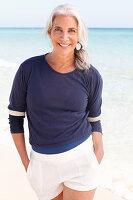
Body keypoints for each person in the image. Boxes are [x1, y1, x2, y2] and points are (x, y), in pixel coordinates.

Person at [8, 4, 104, 200]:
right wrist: (27, 164)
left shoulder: (90, 76)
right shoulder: (29, 69)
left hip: (80, 163)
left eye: (71, 31)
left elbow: (95, 120)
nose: (64, 37)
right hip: (42, 167)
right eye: (58, 29)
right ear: (49, 31)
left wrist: (98, 155)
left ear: (79, 36)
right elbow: (15, 118)